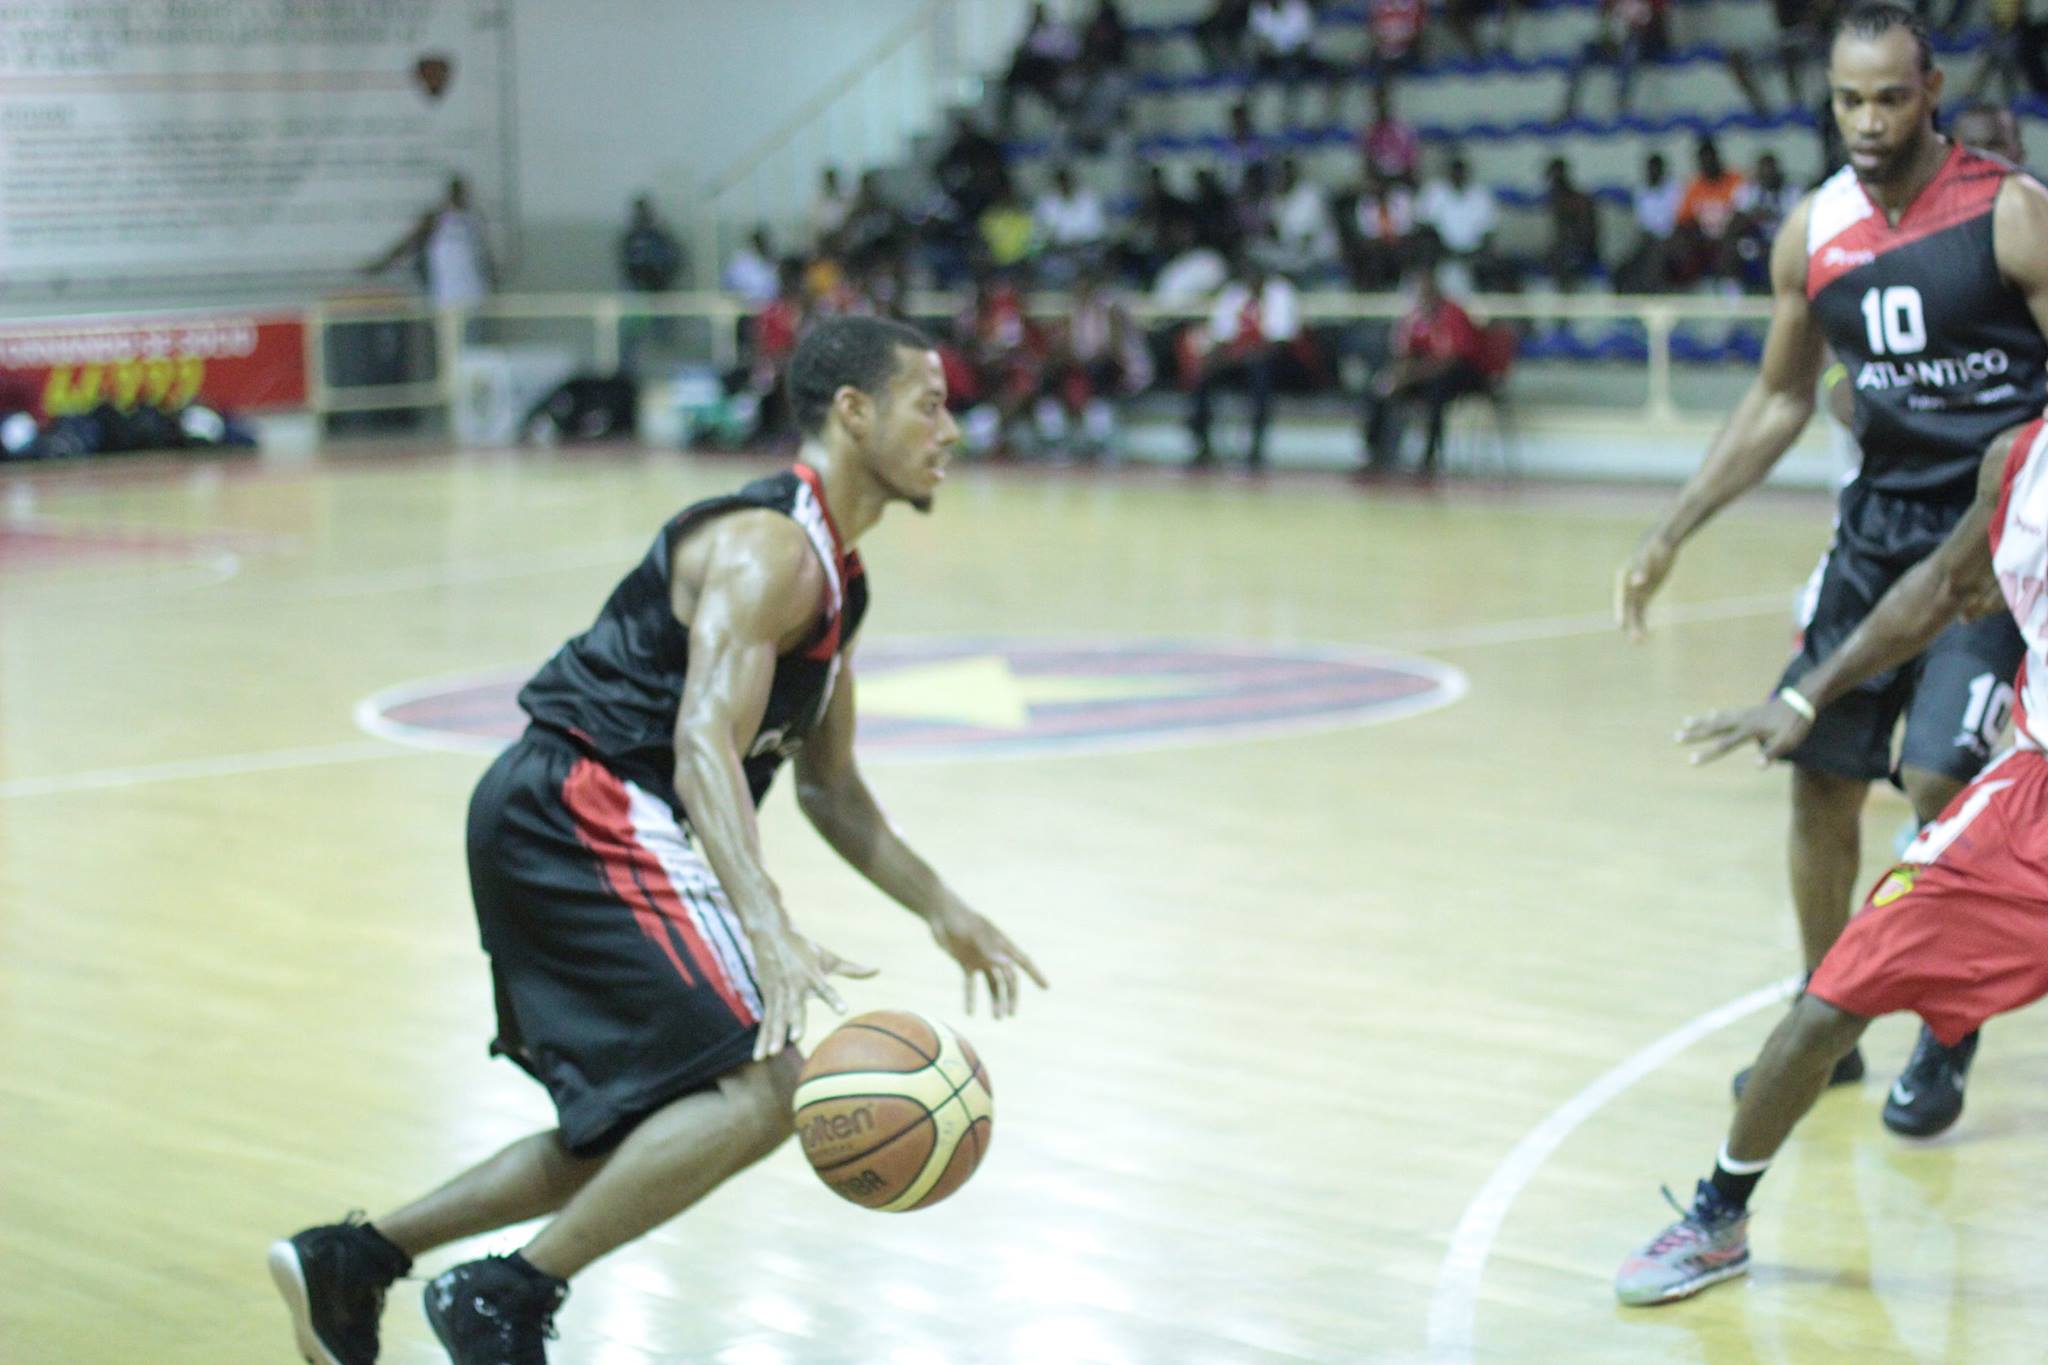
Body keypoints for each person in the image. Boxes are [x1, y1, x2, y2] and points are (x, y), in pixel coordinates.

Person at [268, 316, 1048, 1364]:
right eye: (930, 401)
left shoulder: (838, 580)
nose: (951, 428)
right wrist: (764, 921)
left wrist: (942, 905)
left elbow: (832, 793)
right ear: (852, 412)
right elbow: (697, 748)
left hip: (569, 815)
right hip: (586, 805)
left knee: (647, 1125)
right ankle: (506, 1295)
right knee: (770, 1089)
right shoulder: (768, 546)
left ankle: (355, 1260)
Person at [1615, 3, 2048, 1158]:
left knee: (1939, 772)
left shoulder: (2009, 214)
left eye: (1888, 97)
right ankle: (1830, 1012)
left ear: (1930, 90)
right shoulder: (1812, 233)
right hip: (1876, 532)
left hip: (1997, 540)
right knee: (1812, 776)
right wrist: (1672, 530)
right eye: (1846, 100)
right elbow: (1775, 398)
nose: (1865, 121)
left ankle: (1945, 1024)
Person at [1619, 409, 2048, 1306]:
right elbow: (1936, 588)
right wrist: (1806, 698)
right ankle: (1717, 1217)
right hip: (2028, 808)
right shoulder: (2018, 460)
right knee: (1828, 1002)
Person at [1359, 267, 1490, 474]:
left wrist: (1413, 375)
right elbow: (1403, 354)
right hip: (1423, 373)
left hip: (1462, 374)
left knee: (1436, 392)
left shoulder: (1453, 314)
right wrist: (1396, 377)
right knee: (1379, 387)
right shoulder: (1414, 318)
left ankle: (1429, 456)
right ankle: (1375, 451)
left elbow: (1452, 359)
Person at [1186, 256, 1300, 469]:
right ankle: (1201, 442)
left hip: (1276, 361)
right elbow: (1221, 336)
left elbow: (1279, 341)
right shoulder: (1234, 293)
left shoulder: (1280, 292)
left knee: (1260, 372)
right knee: (1204, 374)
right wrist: (1215, 360)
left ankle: (1256, 446)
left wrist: (1245, 355)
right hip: (1239, 357)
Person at [364, 175, 495, 309]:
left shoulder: (475, 219)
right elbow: (407, 246)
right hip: (445, 297)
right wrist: (379, 267)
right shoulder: (436, 218)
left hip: (477, 297)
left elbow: (485, 257)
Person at [1560, 0, 1672, 119]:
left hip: (1647, 40)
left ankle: (1621, 106)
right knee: (1584, 51)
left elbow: (1660, 22)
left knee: (1631, 48)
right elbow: (1605, 20)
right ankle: (1568, 106)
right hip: (1619, 39)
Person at [1616, 151, 1683, 292]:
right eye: (1650, 169)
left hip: (1669, 240)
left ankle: (1653, 299)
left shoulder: (1674, 190)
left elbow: (1676, 222)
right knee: (1621, 267)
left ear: (1662, 170)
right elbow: (1642, 224)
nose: (1653, 172)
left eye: (1656, 168)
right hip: (1647, 240)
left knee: (1655, 262)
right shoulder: (1640, 191)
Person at [1542, 156, 1603, 290]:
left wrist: (1572, 246)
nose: (1552, 183)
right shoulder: (1555, 201)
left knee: (1565, 263)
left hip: (1584, 250)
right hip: (1565, 250)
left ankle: (1567, 306)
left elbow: (1587, 234)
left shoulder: (1580, 200)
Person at [619, 195, 684, 294]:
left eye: (643, 210)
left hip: (660, 284)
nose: (642, 214)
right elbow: (625, 259)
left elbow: (673, 256)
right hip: (637, 284)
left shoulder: (659, 234)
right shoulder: (632, 236)